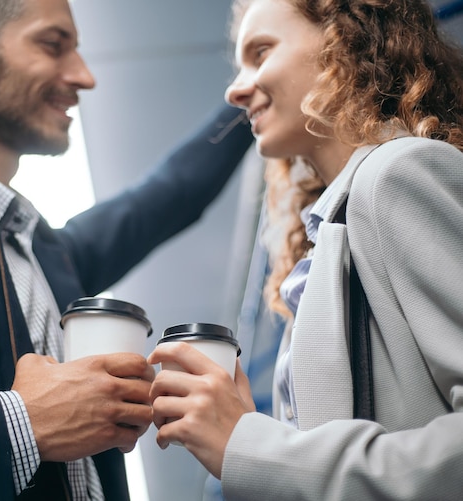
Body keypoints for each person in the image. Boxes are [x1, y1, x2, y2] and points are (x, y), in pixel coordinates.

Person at [0, 0, 254, 499]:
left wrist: (255, 92)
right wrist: (19, 424)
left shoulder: (51, 256)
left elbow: (171, 192)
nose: (84, 76)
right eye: (53, 45)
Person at [149, 0, 463, 499]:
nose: (235, 89)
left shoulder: (400, 174)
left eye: (261, 52)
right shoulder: (324, 238)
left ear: (345, 40)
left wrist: (251, 445)